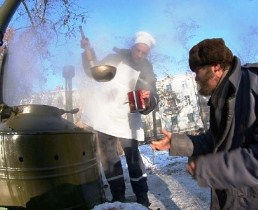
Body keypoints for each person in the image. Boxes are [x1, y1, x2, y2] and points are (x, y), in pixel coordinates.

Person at [151, 38, 258, 210]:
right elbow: (216, 140)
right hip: (231, 197)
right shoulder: (222, 95)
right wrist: (177, 142)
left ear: (216, 67)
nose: (195, 78)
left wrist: (211, 169)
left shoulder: (253, 85)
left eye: (197, 71)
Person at [80, 31, 158, 207]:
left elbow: (153, 95)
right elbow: (95, 71)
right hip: (105, 113)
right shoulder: (114, 57)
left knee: (133, 158)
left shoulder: (147, 70)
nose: (139, 55)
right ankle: (118, 196)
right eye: (137, 50)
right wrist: (87, 51)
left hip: (128, 119)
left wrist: (148, 99)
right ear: (132, 47)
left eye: (143, 53)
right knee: (109, 158)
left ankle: (142, 196)